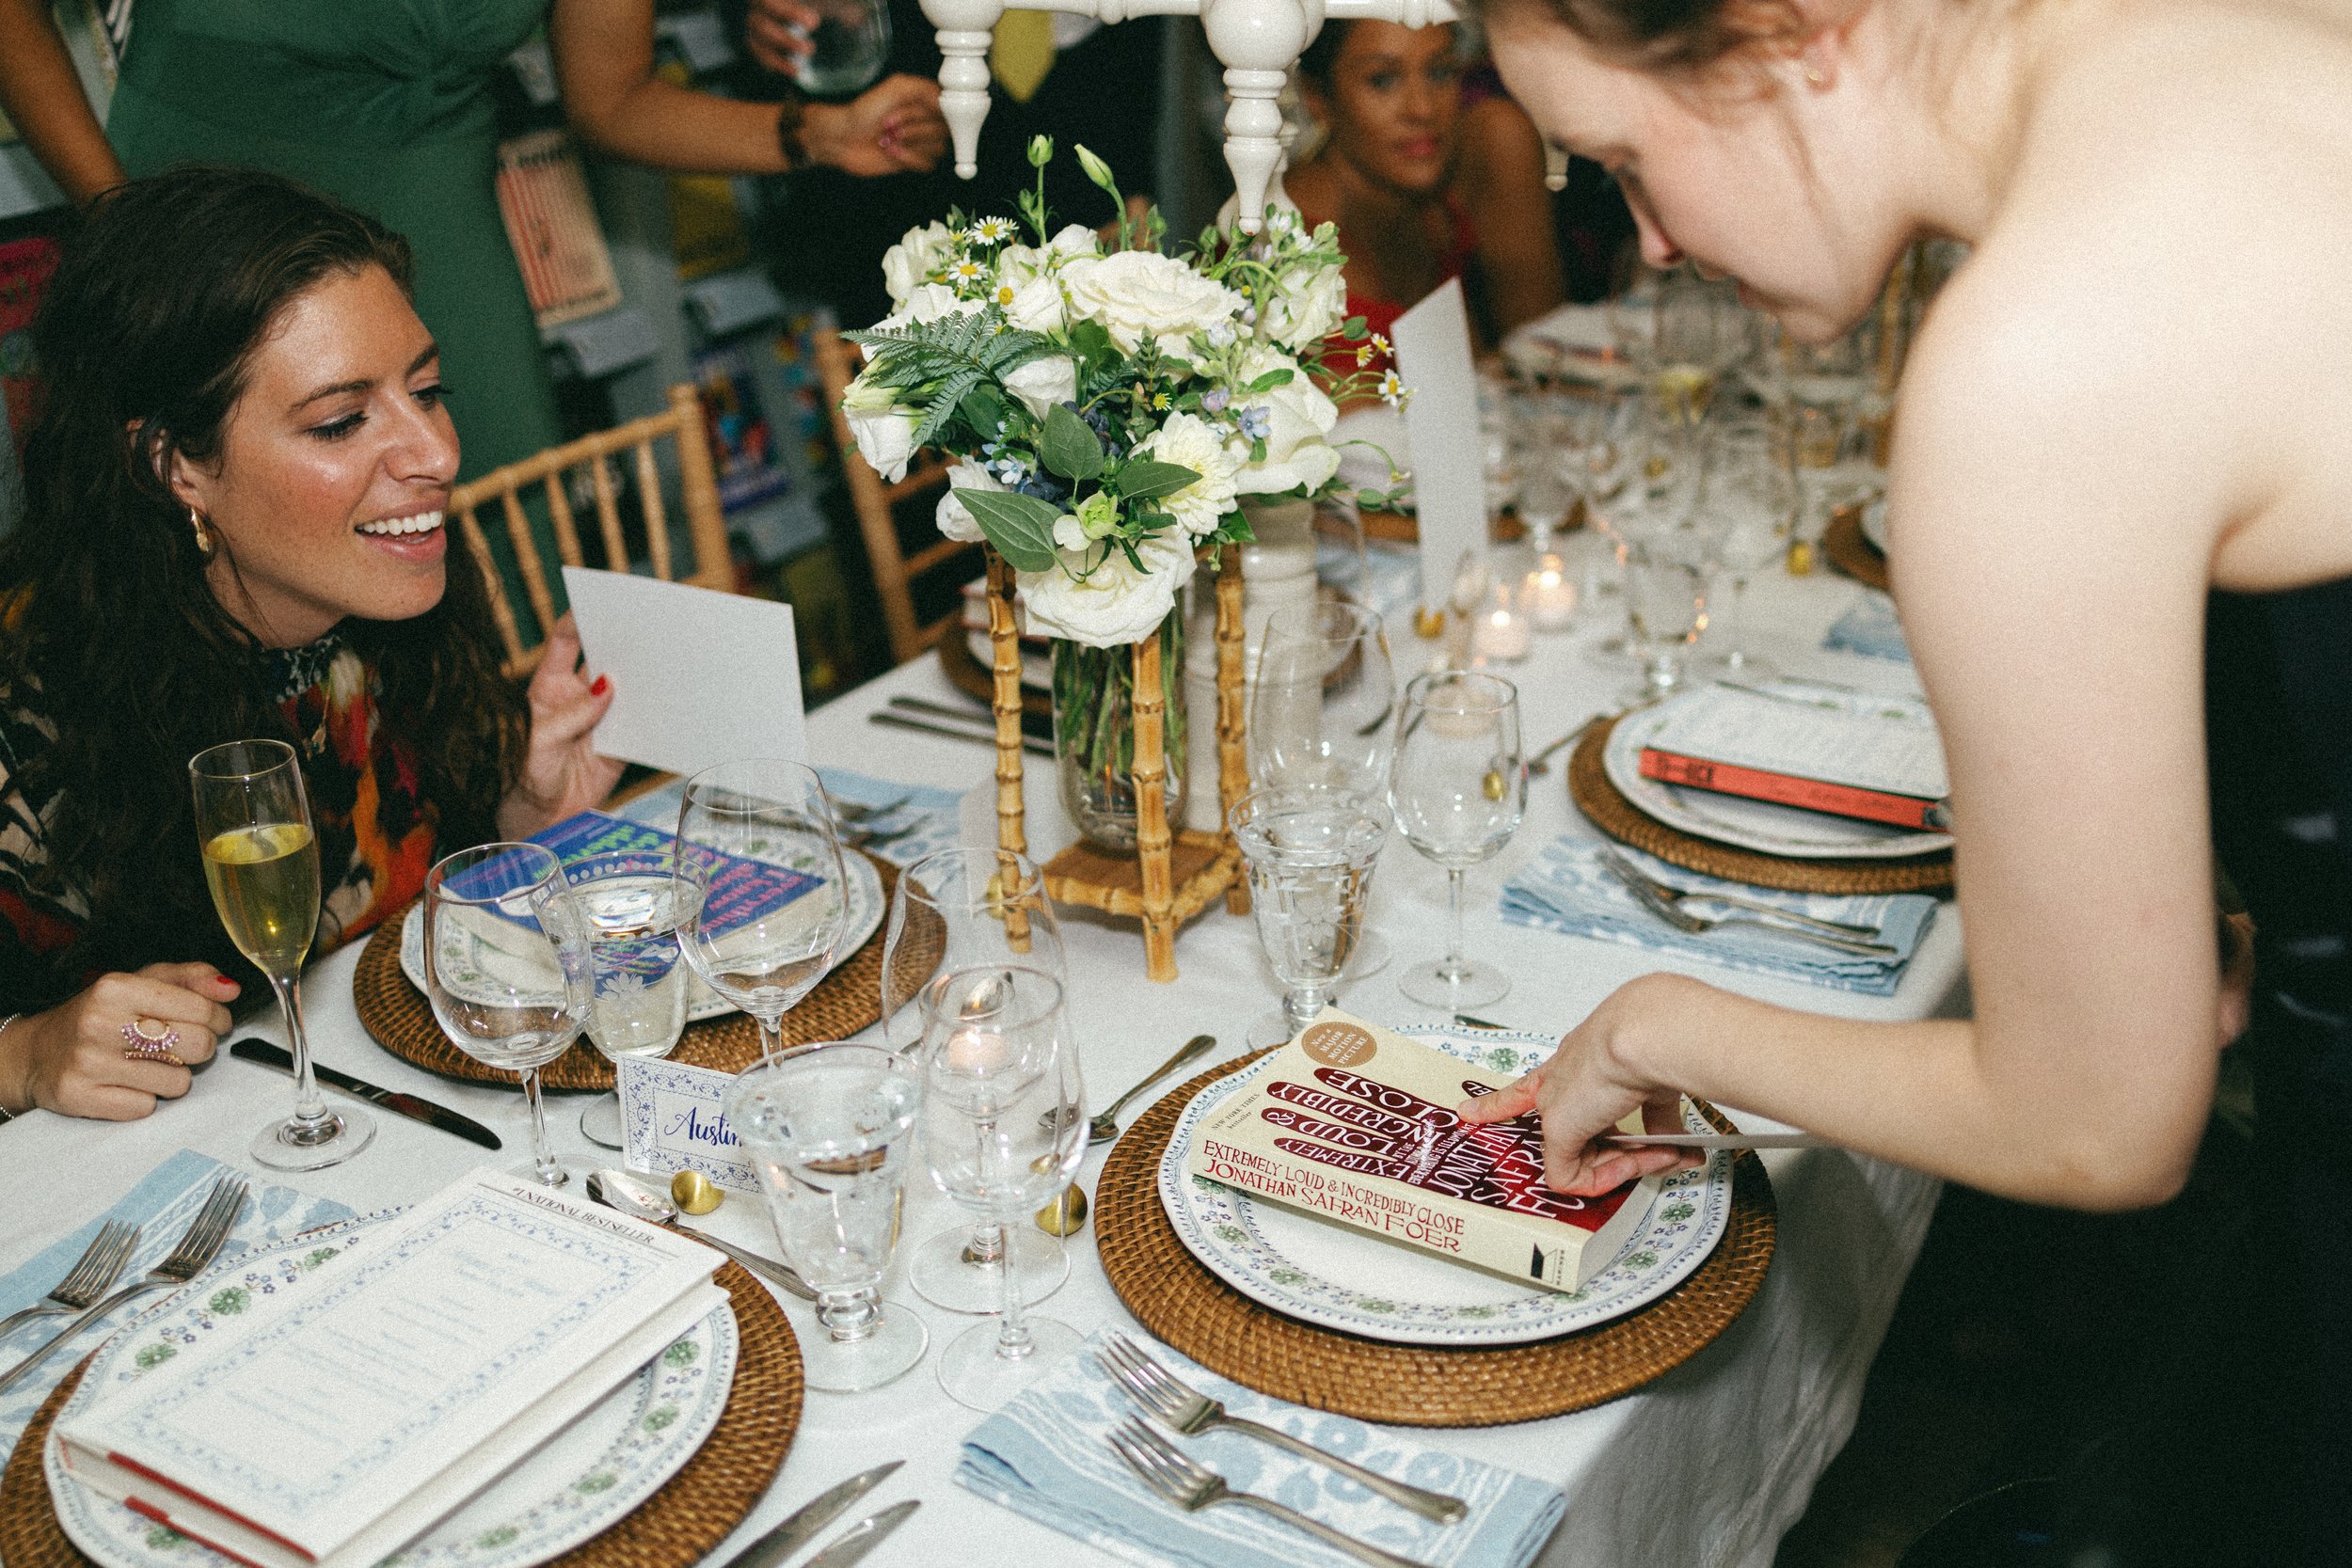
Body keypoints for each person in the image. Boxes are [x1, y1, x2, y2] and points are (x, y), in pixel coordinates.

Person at [1456, 0, 2352, 1554]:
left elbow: (2097, 1123)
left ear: (1778, 32)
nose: (1648, 240)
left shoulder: (2046, 347)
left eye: (1623, 161)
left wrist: (1658, 1023)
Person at [0, 168, 620, 1125]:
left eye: (427, 391)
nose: (437, 454)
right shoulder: (30, 712)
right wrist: (25, 1053)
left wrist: (516, 810)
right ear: (174, 466)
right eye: (341, 422)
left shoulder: (391, 602)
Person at [0, 0, 949, 483]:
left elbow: (612, 98)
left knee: (505, 544)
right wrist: (120, 217)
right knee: (231, 557)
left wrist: (817, 133)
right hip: (200, 219)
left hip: (435, 234)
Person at [1286, 19, 1566, 367]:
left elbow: (1549, 358)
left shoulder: (1480, 150)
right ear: (1316, 96)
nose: (1423, 109)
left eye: (1440, 72)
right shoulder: (1295, 245)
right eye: (1382, 80)